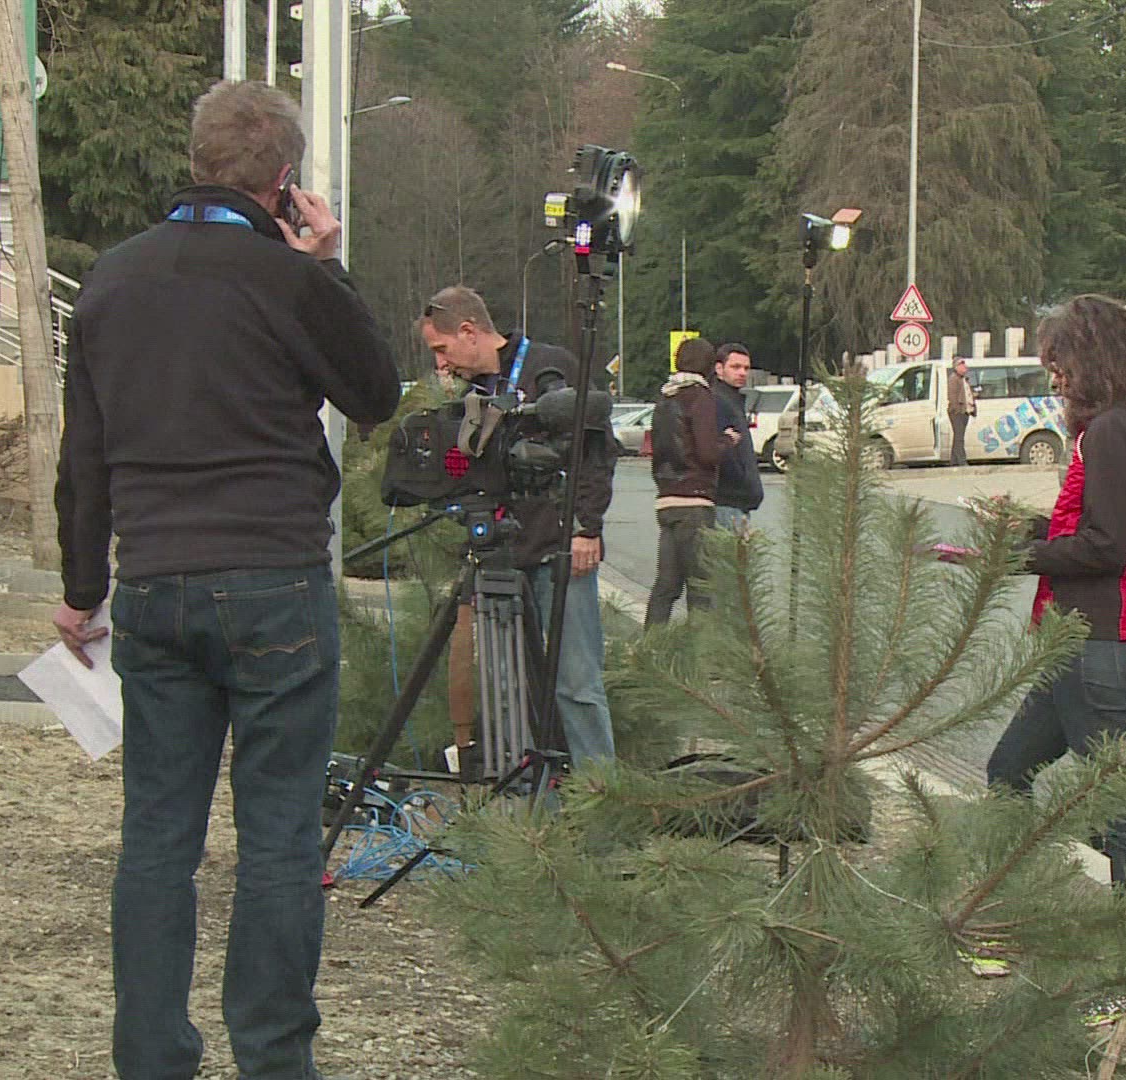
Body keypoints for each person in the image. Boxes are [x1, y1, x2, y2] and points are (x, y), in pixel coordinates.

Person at [50, 80, 402, 1080]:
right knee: (279, 834)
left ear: (197, 160)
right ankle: (274, 1058)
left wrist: (82, 586)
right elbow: (374, 394)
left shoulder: (111, 281)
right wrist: (326, 266)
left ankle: (151, 1057)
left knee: (158, 835)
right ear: (285, 182)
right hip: (274, 578)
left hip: (154, 581)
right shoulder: (287, 280)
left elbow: (85, 455)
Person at [981, 294, 1126, 1024]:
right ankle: (1008, 925)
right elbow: (1094, 528)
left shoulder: (1117, 430)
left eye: (1059, 364)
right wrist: (1028, 528)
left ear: (1090, 359)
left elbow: (1105, 547)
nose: (1054, 379)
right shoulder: (1122, 425)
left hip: (1097, 643)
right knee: (1008, 771)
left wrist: (1020, 554)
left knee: (1119, 810)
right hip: (1085, 641)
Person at [421, 286, 617, 768]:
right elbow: (464, 468)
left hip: (559, 550)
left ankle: (600, 792)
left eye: (442, 349)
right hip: (503, 556)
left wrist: (586, 528)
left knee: (576, 684)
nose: (441, 364)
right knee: (508, 688)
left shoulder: (552, 368)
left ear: (469, 331)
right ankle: (528, 792)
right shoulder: (474, 394)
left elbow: (595, 454)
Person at [645, 336, 726, 625]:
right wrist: (726, 442)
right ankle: (700, 649)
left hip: (666, 500)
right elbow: (707, 453)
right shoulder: (699, 397)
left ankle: (651, 645)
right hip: (695, 498)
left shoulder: (665, 398)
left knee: (666, 586)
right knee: (701, 588)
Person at [711, 343, 765, 531]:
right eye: (735, 367)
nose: (742, 373)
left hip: (737, 502)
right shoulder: (718, 400)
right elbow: (718, 450)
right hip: (727, 500)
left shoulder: (733, 401)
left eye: (746, 368)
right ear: (719, 369)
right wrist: (740, 479)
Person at [948, 356, 977, 466]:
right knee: (959, 438)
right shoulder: (953, 379)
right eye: (962, 365)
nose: (965, 367)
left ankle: (954, 461)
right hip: (957, 413)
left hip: (965, 412)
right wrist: (958, 410)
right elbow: (952, 396)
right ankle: (962, 461)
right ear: (956, 367)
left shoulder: (964, 379)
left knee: (958, 437)